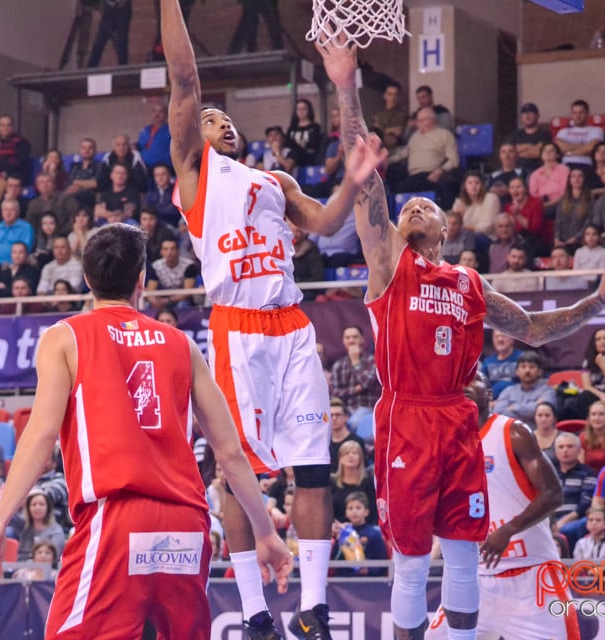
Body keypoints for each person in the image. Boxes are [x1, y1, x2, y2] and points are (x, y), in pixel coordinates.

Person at [321, 39, 605, 640]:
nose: (415, 204)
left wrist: (599, 300)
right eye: (408, 203)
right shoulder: (390, 261)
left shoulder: (469, 284)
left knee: (464, 552)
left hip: (455, 419)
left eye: (428, 205)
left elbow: (540, 328)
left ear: (449, 228)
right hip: (408, 415)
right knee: (414, 560)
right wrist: (345, 85)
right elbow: (361, 171)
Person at [162, 5, 386, 637]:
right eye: (213, 118)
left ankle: (314, 606)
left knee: (314, 464)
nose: (223, 123)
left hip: (290, 326)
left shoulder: (275, 179)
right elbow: (184, 77)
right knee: (240, 472)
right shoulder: (193, 175)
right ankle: (257, 613)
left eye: (229, 120)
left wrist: (352, 180)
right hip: (236, 328)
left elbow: (327, 222)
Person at [0, 224, 292, 639]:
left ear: (87, 279)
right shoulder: (182, 344)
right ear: (142, 279)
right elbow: (231, 453)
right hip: (186, 525)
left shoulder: (64, 337)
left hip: (118, 518)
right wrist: (265, 532)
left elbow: (40, 435)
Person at [427, 371, 573, 640]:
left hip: (533, 574)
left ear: (490, 394)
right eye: (460, 381)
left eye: (474, 379)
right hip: (477, 579)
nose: (466, 385)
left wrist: (508, 529)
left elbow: (553, 493)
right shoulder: (446, 443)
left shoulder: (513, 432)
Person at [491, 351, 556, 428]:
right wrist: (534, 406)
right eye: (523, 366)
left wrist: (514, 407)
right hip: (510, 434)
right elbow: (498, 414)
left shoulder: (548, 391)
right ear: (517, 371)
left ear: (540, 372)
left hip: (537, 436)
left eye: (532, 367)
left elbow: (545, 413)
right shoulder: (508, 391)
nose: (527, 370)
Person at [508, 103, 552, 173]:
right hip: (517, 171)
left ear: (538, 115)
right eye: (524, 113)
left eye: (530, 113)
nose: (527, 116)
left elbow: (540, 153)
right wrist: (532, 148)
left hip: (539, 171)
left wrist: (519, 150)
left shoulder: (545, 134)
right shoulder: (515, 134)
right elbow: (510, 153)